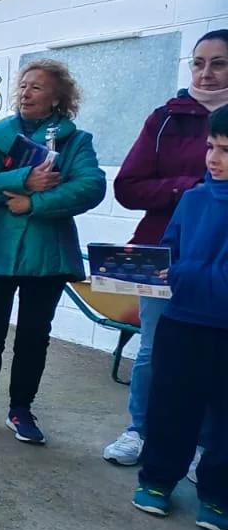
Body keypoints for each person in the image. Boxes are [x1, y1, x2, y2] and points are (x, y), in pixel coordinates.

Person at [0, 60, 105, 444]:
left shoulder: (75, 141)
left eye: (37, 87)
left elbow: (91, 187)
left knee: (35, 334)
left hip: (47, 255)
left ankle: (21, 409)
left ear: (57, 98)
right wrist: (25, 179)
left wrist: (33, 204)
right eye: (23, 86)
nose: (25, 93)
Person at [104, 29, 228, 470]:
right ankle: (139, 429)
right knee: (154, 348)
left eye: (218, 63)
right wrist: (191, 188)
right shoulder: (166, 117)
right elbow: (128, 186)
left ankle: (203, 449)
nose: (206, 73)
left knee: (215, 358)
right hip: (161, 253)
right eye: (198, 62)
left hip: (220, 258)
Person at [130, 106, 228, 530]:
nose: (214, 158)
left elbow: (194, 271)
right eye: (211, 146)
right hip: (182, 320)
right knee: (171, 405)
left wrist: (183, 272)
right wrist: (138, 267)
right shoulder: (193, 198)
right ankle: (156, 479)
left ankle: (218, 494)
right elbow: (171, 251)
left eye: (227, 151)